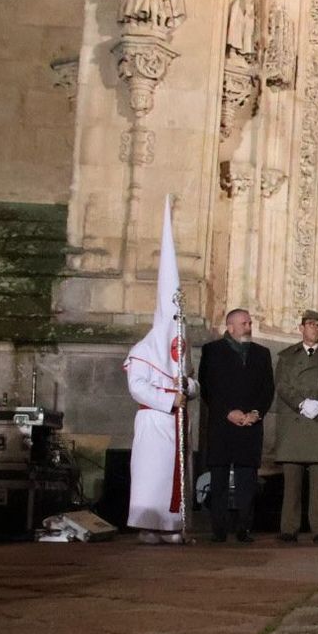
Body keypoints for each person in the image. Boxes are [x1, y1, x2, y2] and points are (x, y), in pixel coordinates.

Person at [123, 196, 196, 545]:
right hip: (155, 419)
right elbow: (137, 387)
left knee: (174, 475)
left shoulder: (180, 350)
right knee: (152, 474)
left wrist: (188, 390)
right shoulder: (143, 350)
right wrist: (170, 400)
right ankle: (147, 524)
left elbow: (190, 380)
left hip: (176, 420)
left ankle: (171, 524)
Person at [198, 308, 274, 543]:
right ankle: (219, 529)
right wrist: (227, 412)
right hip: (222, 426)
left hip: (250, 426)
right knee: (219, 480)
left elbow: (267, 388)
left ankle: (244, 528)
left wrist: (255, 413)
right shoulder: (212, 351)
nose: (248, 327)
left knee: (246, 481)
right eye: (244, 323)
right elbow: (208, 386)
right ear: (230, 327)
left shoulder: (262, 354)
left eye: (250, 323)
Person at [274, 310, 318, 544]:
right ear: (301, 328)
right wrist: (301, 403)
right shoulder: (286, 356)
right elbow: (282, 385)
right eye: (310, 324)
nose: (314, 329)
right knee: (292, 480)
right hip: (295, 422)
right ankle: (289, 527)